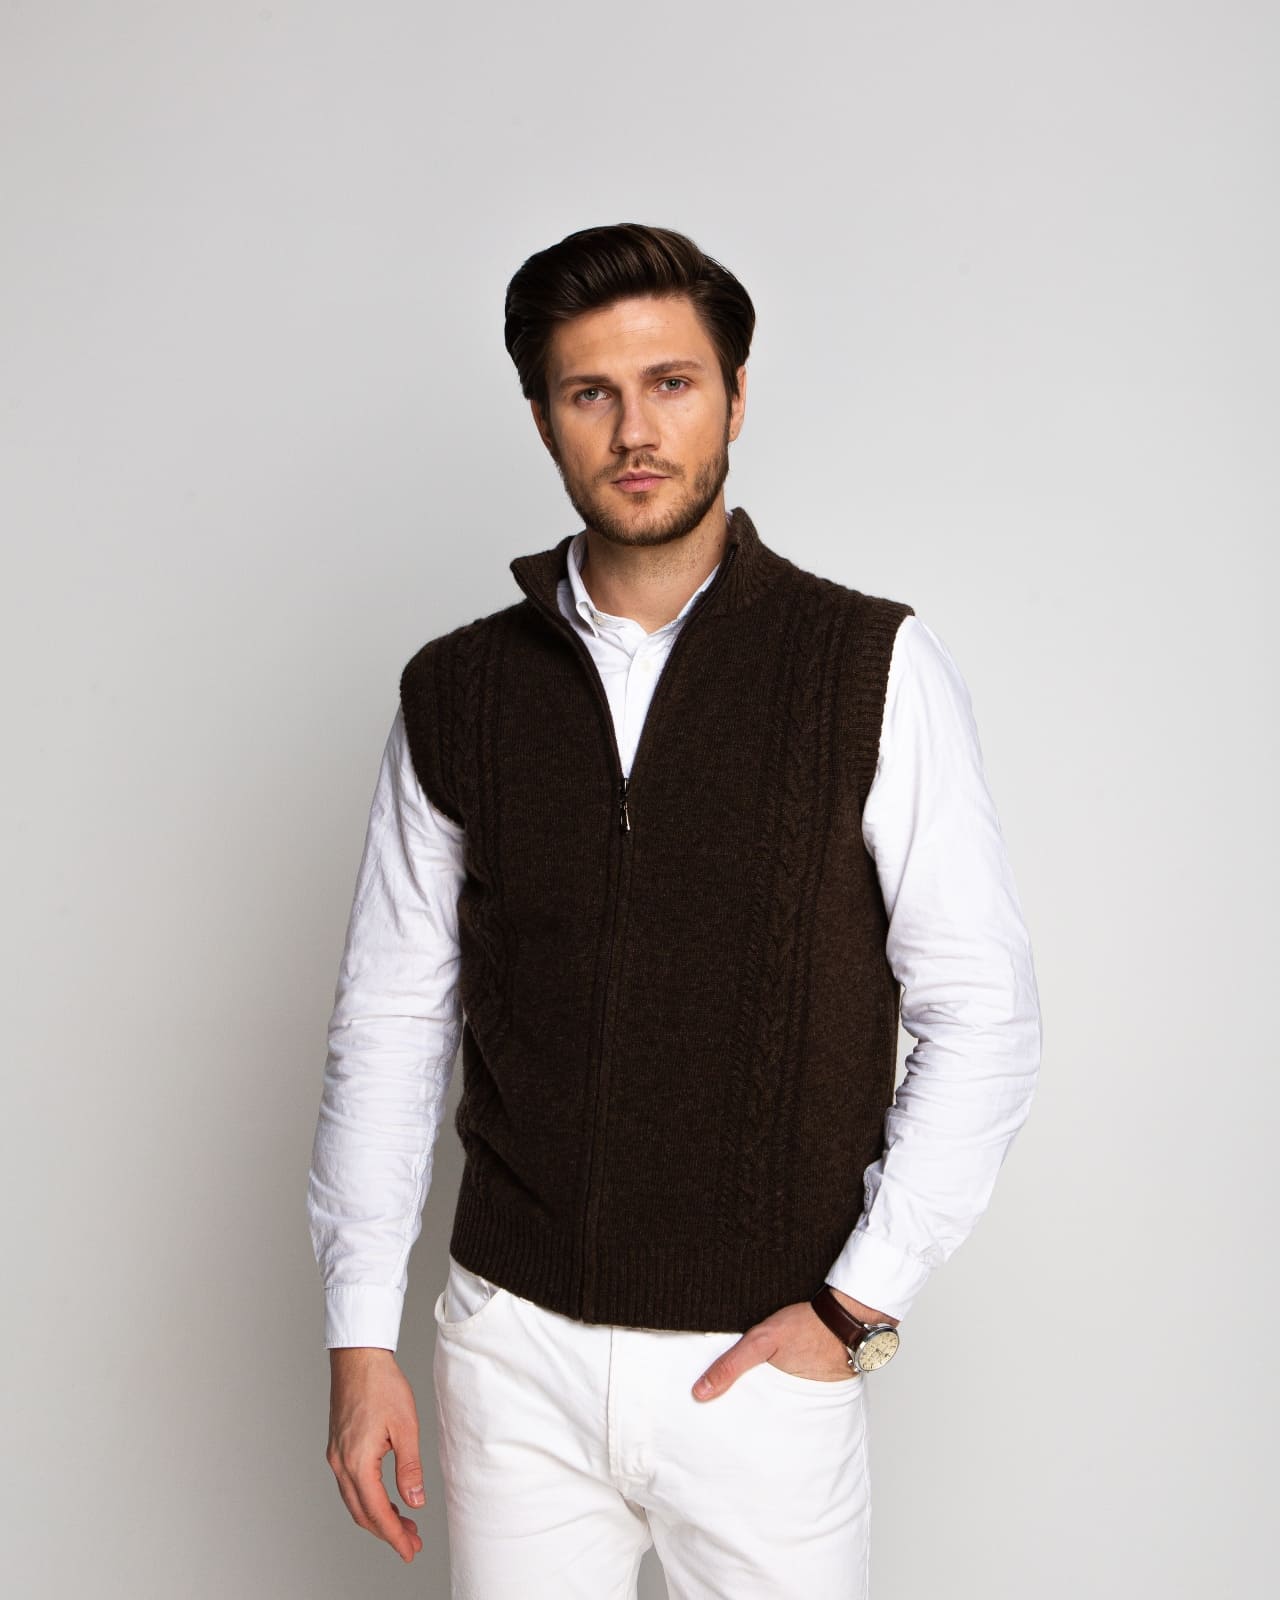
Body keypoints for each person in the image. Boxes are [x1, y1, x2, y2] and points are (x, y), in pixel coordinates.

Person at [306, 221, 1042, 1598]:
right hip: (511, 1352)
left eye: (672, 383)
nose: (635, 430)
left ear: (736, 397)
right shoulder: (458, 691)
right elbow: (389, 1021)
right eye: (591, 392)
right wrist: (360, 1337)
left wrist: (856, 1304)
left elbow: (983, 1014)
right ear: (543, 418)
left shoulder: (867, 665)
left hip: (764, 1364)